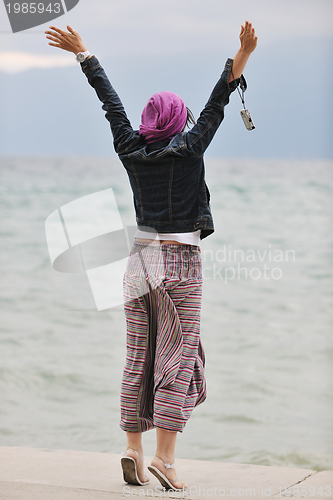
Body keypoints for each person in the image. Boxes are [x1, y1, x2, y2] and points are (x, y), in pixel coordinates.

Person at [45, 21, 257, 491]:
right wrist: (243, 55)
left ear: (147, 123)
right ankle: (165, 457)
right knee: (178, 357)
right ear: (179, 121)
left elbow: (111, 105)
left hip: (139, 260)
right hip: (180, 259)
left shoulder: (130, 148)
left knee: (137, 355)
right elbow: (218, 101)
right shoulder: (191, 146)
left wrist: (84, 54)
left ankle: (132, 450)